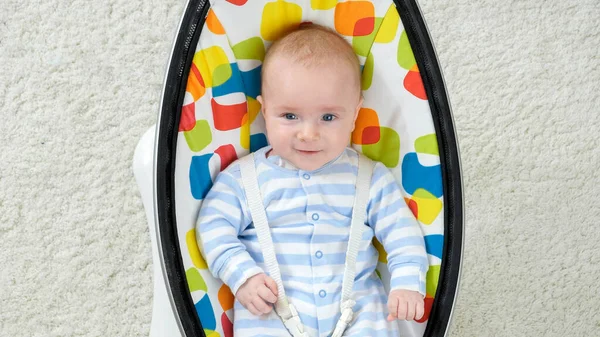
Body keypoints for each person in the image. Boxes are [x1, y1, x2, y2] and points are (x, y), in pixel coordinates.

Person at [196, 24, 428, 336]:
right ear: (264, 110)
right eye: (289, 116)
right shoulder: (242, 178)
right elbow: (212, 226)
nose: (308, 134)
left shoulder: (370, 178)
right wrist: (243, 276)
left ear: (355, 113)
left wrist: (407, 283)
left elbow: (403, 234)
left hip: (358, 316)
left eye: (328, 117)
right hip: (268, 316)